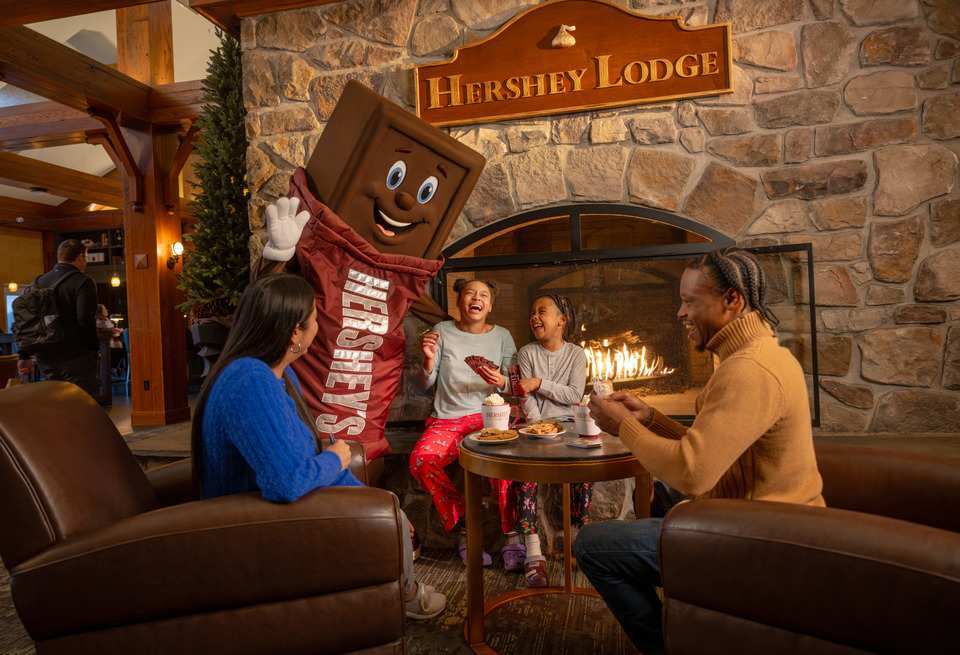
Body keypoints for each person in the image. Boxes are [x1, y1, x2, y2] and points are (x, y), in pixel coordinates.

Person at [576, 248, 824, 654]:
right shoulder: (755, 355)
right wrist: (652, 418)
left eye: (690, 301)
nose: (680, 313)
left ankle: (665, 645)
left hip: (760, 538)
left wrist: (624, 425)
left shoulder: (748, 371)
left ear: (732, 301)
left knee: (592, 545)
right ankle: (691, 603)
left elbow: (694, 471)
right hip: (763, 515)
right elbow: (717, 448)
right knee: (664, 495)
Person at [191, 273, 446, 620]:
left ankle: (402, 588)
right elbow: (285, 483)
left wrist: (379, 504)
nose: (319, 325)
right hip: (257, 523)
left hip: (284, 507)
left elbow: (304, 456)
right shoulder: (250, 382)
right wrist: (337, 458)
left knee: (392, 511)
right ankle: (407, 597)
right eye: (314, 318)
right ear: (294, 332)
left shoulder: (279, 373)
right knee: (390, 513)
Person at [409, 278, 518, 566]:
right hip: (447, 419)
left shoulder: (502, 336)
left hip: (488, 417)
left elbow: (512, 384)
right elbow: (423, 384)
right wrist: (429, 360)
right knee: (421, 460)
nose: (476, 298)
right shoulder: (441, 331)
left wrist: (501, 380)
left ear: (490, 305)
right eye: (470, 293)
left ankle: (512, 537)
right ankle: (461, 522)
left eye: (483, 294)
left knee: (503, 469)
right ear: (459, 301)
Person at [513, 294, 591, 587]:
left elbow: (573, 394)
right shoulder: (526, 353)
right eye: (532, 312)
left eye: (541, 312)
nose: (534, 317)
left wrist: (539, 383)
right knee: (525, 477)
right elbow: (526, 399)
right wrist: (538, 425)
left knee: (584, 473)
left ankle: (580, 542)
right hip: (536, 428)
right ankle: (534, 552)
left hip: (570, 426)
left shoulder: (577, 354)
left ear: (561, 320)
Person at [18, 239, 99, 397]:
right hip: (76, 356)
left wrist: (24, 355)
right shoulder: (83, 282)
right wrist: (93, 348)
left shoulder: (38, 282)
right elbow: (84, 319)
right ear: (81, 257)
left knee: (56, 404)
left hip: (45, 356)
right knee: (81, 404)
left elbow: (26, 320)